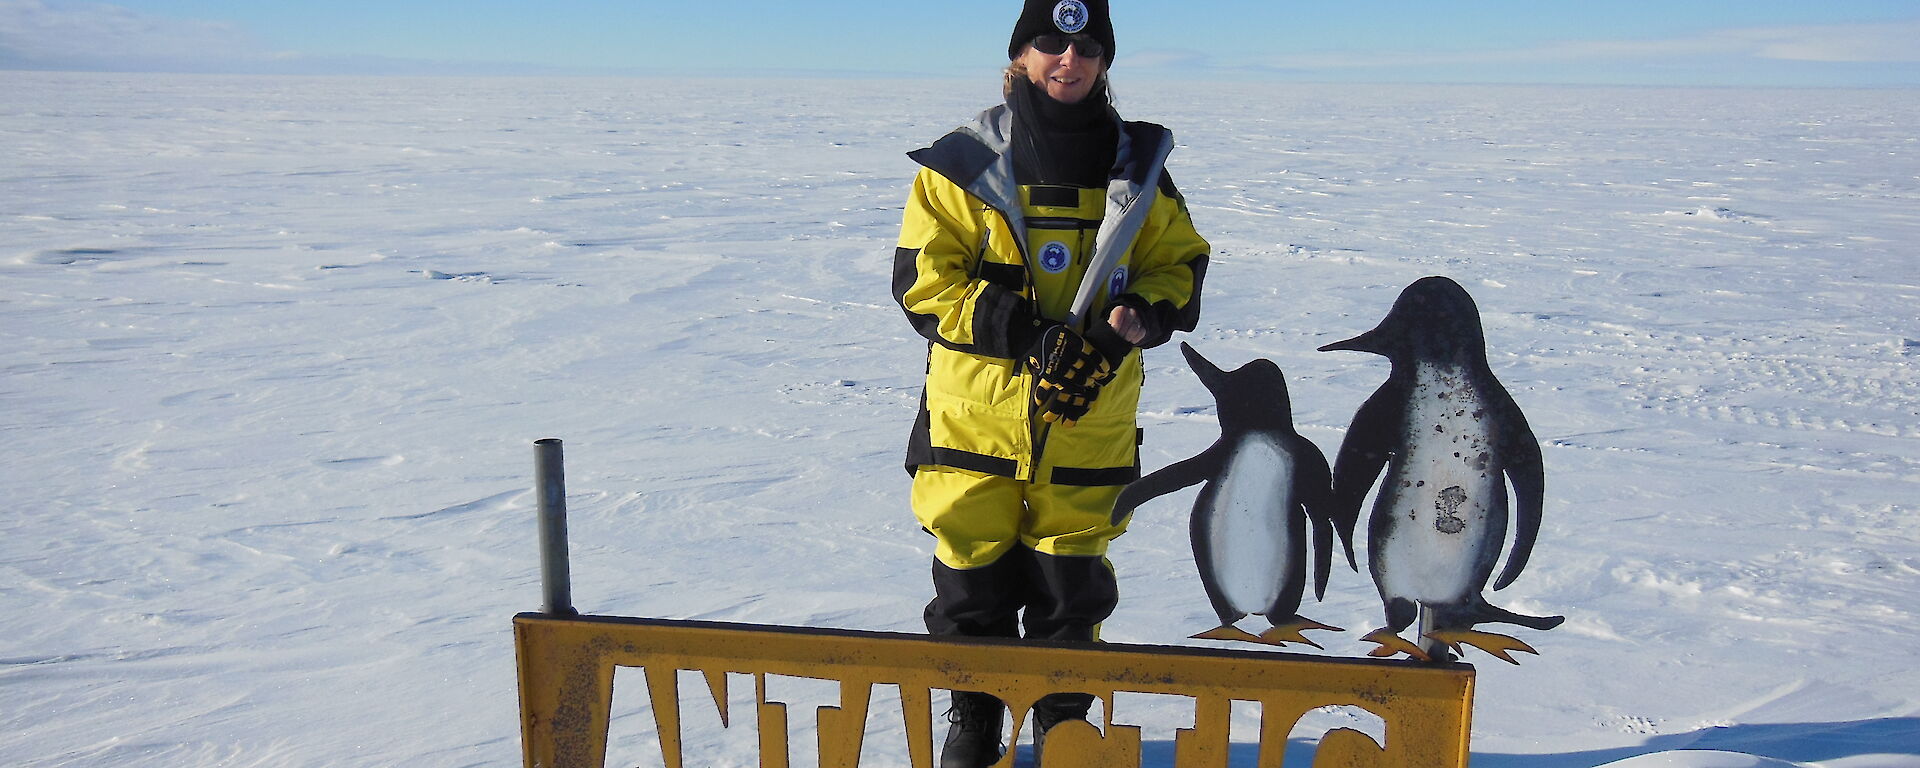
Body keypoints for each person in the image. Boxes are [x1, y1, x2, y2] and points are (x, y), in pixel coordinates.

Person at [889, 1, 1211, 765]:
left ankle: (1062, 727)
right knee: (972, 584)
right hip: (975, 421)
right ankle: (975, 719)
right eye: (1050, 43)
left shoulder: (1141, 170)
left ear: (1103, 62)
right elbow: (924, 284)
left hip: (1088, 417)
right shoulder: (960, 168)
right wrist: (1030, 338)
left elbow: (1181, 266)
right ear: (1020, 55)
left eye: (1087, 46)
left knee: (1073, 589)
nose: (1068, 60)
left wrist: (1120, 327)